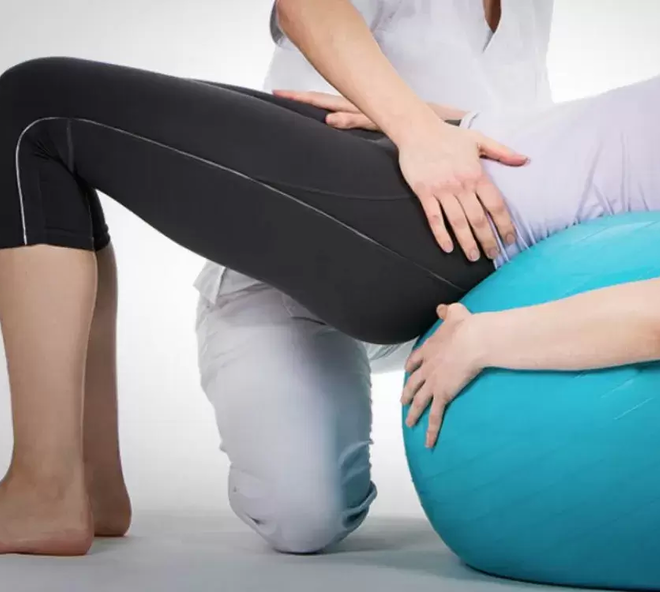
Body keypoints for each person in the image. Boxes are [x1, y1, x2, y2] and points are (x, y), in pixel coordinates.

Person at [0, 35, 660, 560]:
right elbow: (630, 144)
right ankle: (88, 482)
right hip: (435, 170)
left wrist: (486, 340)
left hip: (428, 230)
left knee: (39, 109)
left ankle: (42, 485)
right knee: (60, 118)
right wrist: (437, 122)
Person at [195, 0, 554, 554]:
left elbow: (525, 139)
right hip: (298, 276)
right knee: (305, 517)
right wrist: (416, 132)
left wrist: (450, 124)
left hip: (456, 290)